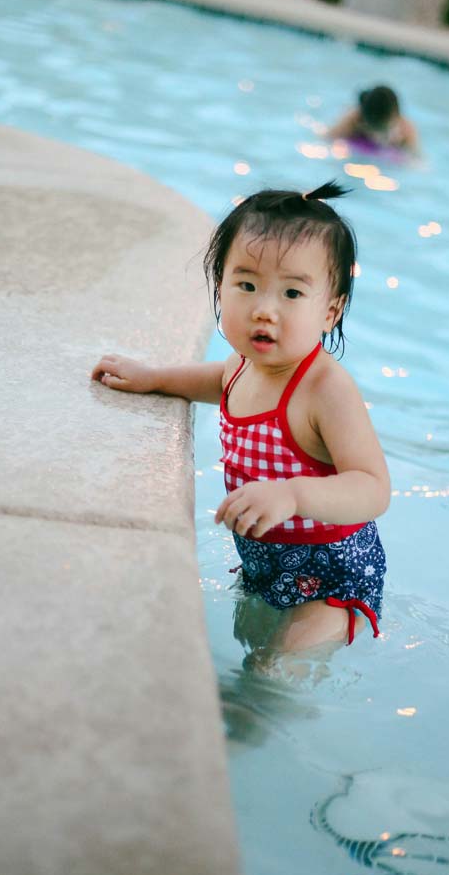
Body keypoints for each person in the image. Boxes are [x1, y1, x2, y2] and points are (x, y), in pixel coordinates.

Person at [92, 181, 390, 658]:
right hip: (265, 565)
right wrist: (155, 378)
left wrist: (293, 495)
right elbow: (215, 381)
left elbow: (374, 488)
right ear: (220, 284)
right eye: (246, 285)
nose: (263, 310)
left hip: (333, 579)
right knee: (247, 648)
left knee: (269, 676)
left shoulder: (324, 389)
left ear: (330, 311)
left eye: (292, 293)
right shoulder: (242, 366)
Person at [327, 85, 419, 153]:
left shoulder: (406, 129)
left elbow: (417, 160)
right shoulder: (352, 119)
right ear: (363, 124)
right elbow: (327, 138)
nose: (377, 138)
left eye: (385, 133)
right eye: (373, 132)